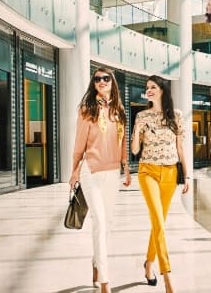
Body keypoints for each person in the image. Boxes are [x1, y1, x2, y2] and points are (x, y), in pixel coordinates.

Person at [69, 67, 131, 293]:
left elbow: (122, 141)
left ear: (112, 82)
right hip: (91, 171)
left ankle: (96, 263)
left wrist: (126, 168)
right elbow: (79, 143)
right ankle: (105, 281)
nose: (102, 82)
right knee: (100, 223)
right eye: (97, 79)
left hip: (113, 172)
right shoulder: (87, 109)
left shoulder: (119, 110)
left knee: (108, 225)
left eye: (106, 78)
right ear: (93, 84)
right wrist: (74, 170)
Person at [131, 75, 190, 293]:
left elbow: (181, 148)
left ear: (162, 90)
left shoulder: (177, 116)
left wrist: (187, 176)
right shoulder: (141, 116)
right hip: (148, 172)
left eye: (153, 87)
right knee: (158, 221)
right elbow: (135, 150)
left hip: (170, 173)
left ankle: (148, 264)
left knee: (159, 224)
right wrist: (137, 130)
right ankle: (168, 279)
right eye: (147, 88)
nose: (149, 90)